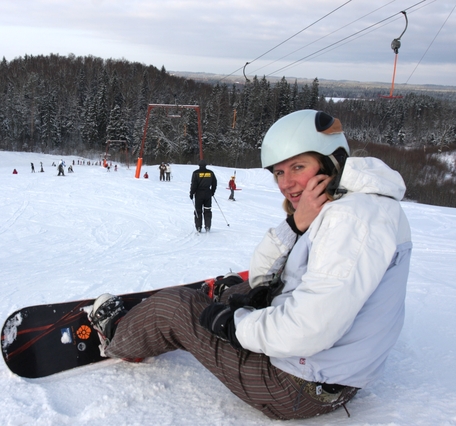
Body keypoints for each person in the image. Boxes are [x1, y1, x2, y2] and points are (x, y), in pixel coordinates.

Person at [86, 110, 412, 420]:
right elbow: (260, 276)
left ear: (331, 161)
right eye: (279, 172)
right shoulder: (354, 203)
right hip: (337, 374)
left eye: (298, 167)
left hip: (297, 386)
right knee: (243, 291)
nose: (286, 183)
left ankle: (117, 336)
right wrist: (295, 224)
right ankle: (221, 301)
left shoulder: (349, 220)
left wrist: (235, 327)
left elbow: (309, 329)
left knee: (174, 307)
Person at [189, 159, 217, 232]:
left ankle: (198, 227)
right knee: (207, 210)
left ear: (199, 165)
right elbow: (214, 183)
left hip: (199, 194)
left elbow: (194, 184)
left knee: (198, 210)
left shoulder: (196, 173)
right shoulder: (210, 173)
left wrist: (191, 193)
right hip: (207, 193)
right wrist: (212, 192)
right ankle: (207, 226)